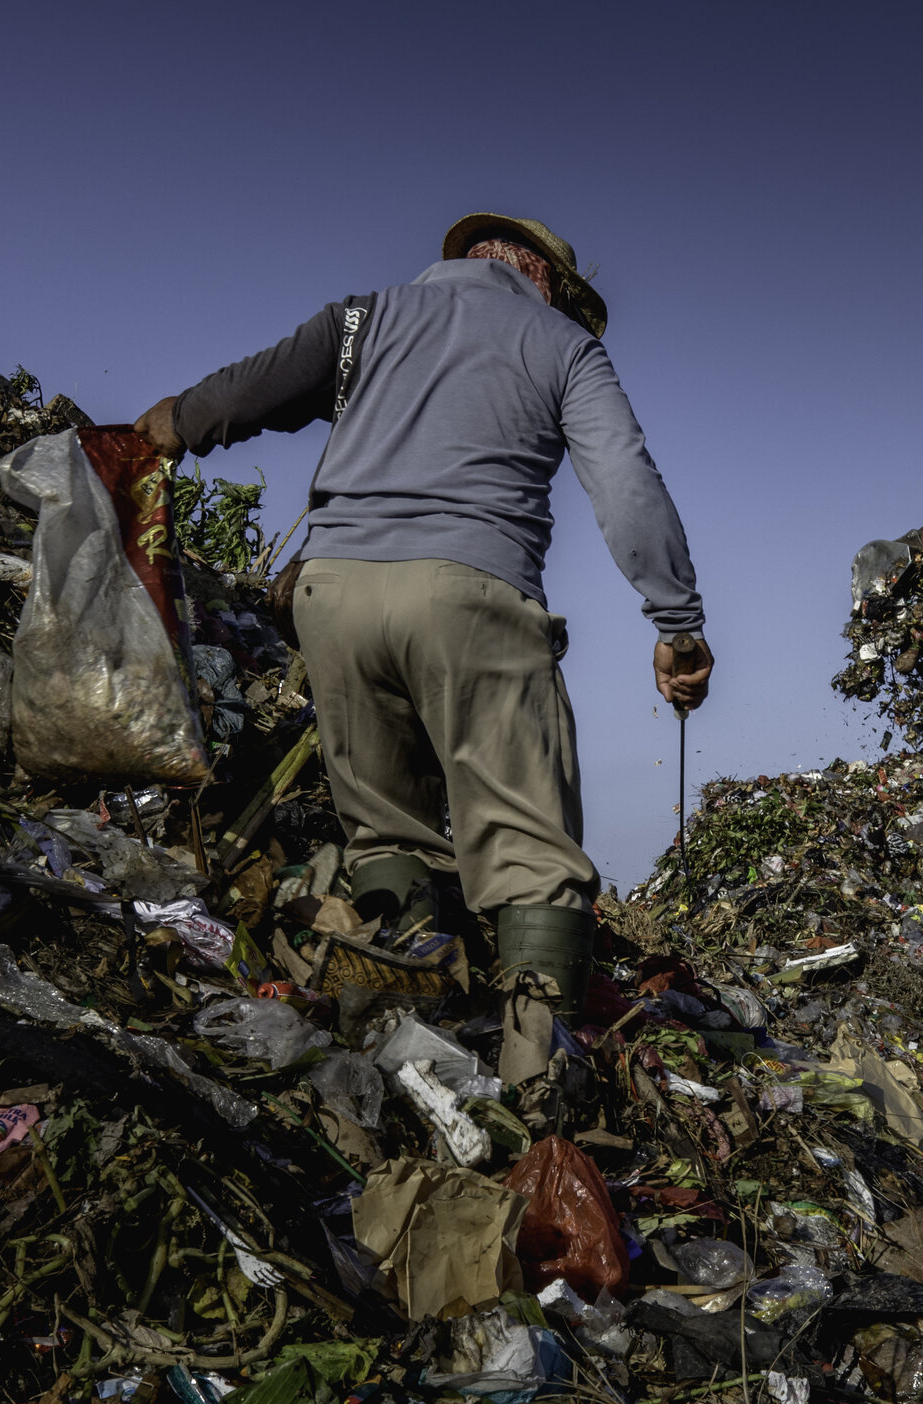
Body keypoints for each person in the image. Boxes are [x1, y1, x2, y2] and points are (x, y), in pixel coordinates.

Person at [135, 213, 709, 1006]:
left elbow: (249, 391)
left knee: (385, 825)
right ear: (546, 283)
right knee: (528, 845)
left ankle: (414, 1011)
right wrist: (677, 625)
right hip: (472, 600)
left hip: (332, 598)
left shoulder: (365, 319)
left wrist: (172, 425)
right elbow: (627, 485)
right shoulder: (564, 345)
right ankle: (538, 1065)